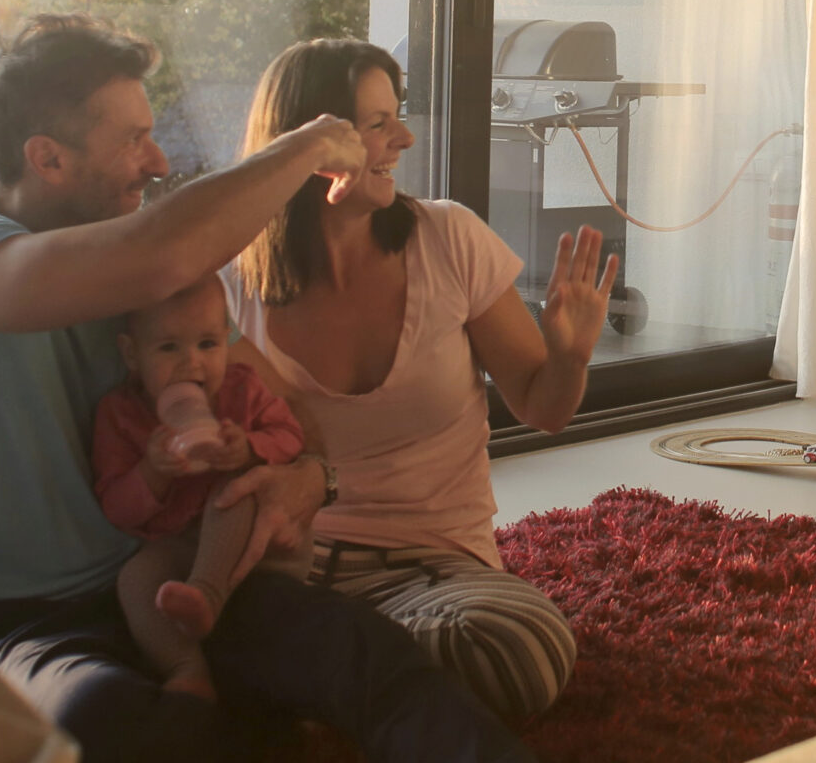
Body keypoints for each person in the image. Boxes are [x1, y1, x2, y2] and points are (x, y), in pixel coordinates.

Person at [0, 14, 601, 763]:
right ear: (48, 158)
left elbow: (279, 404)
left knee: (356, 644)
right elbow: (159, 251)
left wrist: (308, 475)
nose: (158, 160)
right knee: (108, 732)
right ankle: (283, 718)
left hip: (168, 581)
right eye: (134, 139)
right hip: (19, 624)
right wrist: (312, 143)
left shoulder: (130, 282)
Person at [224, 38, 611, 725]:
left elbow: (542, 407)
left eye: (397, 117)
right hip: (291, 567)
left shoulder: (449, 237)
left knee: (517, 651)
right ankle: (373, 682)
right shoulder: (230, 282)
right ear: (311, 146)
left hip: (438, 573)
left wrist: (570, 357)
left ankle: (320, 677)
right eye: (378, 124)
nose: (403, 139)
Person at [91, 274, 305, 702]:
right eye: (169, 347)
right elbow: (116, 508)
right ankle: (186, 669)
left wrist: (250, 449)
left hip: (257, 544)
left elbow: (292, 436)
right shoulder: (120, 414)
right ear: (132, 354)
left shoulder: (242, 389)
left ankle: (207, 594)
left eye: (208, 344)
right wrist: (152, 472)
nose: (192, 363)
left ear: (227, 339)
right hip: (179, 549)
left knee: (235, 488)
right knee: (134, 579)